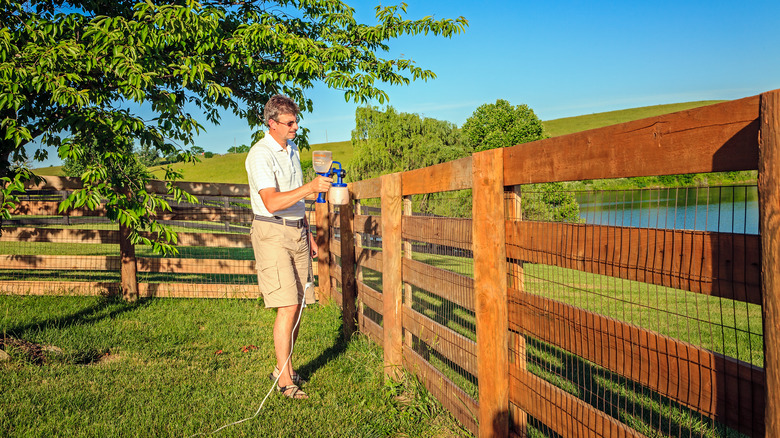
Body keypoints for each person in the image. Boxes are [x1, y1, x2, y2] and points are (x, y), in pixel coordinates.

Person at [245, 94, 332, 400]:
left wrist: (306, 230)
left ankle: (285, 367)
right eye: (290, 122)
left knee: (299, 306)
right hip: (272, 232)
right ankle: (284, 381)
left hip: (295, 231)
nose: (296, 127)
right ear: (272, 123)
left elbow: (293, 201)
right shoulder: (260, 155)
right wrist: (311, 187)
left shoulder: (292, 149)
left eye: (296, 121)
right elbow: (271, 202)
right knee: (288, 305)